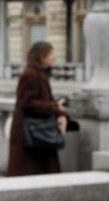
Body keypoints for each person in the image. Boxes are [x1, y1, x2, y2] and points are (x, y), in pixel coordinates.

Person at [7, 41, 68, 176]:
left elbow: (41, 101)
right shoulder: (30, 75)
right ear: (42, 56)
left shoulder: (39, 74)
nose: (54, 57)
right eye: (51, 53)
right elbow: (27, 103)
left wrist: (59, 110)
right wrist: (55, 106)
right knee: (31, 174)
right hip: (31, 134)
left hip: (37, 133)